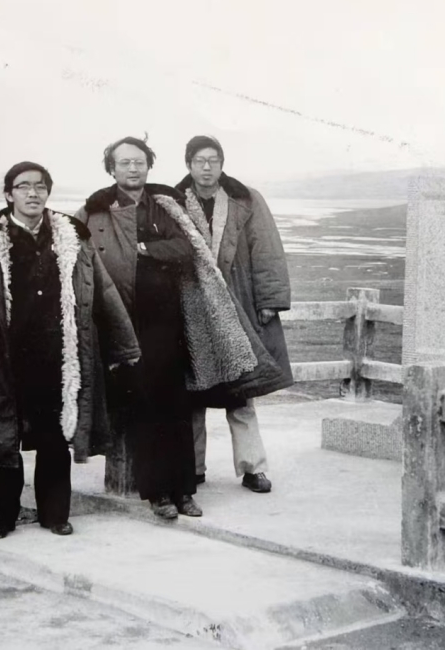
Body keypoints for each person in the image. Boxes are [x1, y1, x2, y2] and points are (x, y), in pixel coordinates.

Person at [0, 161, 140, 539]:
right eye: (23, 186)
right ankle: (0, 517)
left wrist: (124, 346)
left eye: (40, 186)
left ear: (47, 192)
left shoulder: (72, 235)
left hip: (56, 355)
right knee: (1, 436)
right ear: (9, 194)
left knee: (54, 437)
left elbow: (102, 290)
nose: (32, 193)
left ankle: (55, 514)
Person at [76, 137, 201, 520]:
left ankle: (184, 490)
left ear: (149, 166)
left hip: (165, 319)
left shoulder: (166, 205)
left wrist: (143, 250)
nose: (133, 168)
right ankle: (157, 492)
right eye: (124, 162)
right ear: (111, 169)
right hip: (121, 319)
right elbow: (78, 258)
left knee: (176, 403)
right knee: (141, 404)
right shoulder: (94, 210)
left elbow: (187, 248)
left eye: (139, 162)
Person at [175, 136, 293, 493]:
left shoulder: (246, 199)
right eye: (199, 160)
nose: (206, 167)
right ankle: (191, 467)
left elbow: (267, 250)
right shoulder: (173, 202)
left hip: (236, 306)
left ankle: (253, 468)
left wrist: (268, 300)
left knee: (242, 392)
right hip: (191, 310)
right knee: (191, 394)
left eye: (213, 160)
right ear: (189, 164)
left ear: (222, 164)